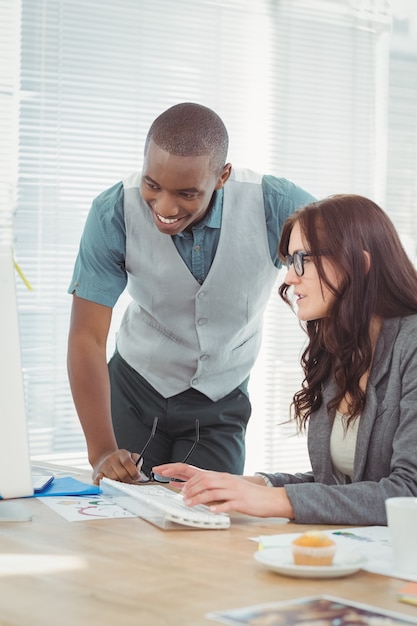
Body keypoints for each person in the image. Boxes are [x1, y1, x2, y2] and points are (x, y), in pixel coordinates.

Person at [67, 102, 314, 485]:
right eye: (152, 184)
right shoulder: (112, 211)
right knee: (124, 521)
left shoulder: (275, 204)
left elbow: (344, 261)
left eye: (186, 193)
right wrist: (100, 451)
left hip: (221, 401)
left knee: (206, 521)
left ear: (222, 176)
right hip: (135, 390)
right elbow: (87, 337)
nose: (165, 206)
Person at [154, 194, 417, 526]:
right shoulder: (345, 350)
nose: (290, 278)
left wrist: (272, 500)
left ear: (359, 265)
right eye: (290, 261)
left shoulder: (411, 346)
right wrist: (245, 486)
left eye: (302, 259)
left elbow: (408, 494)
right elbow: (339, 488)